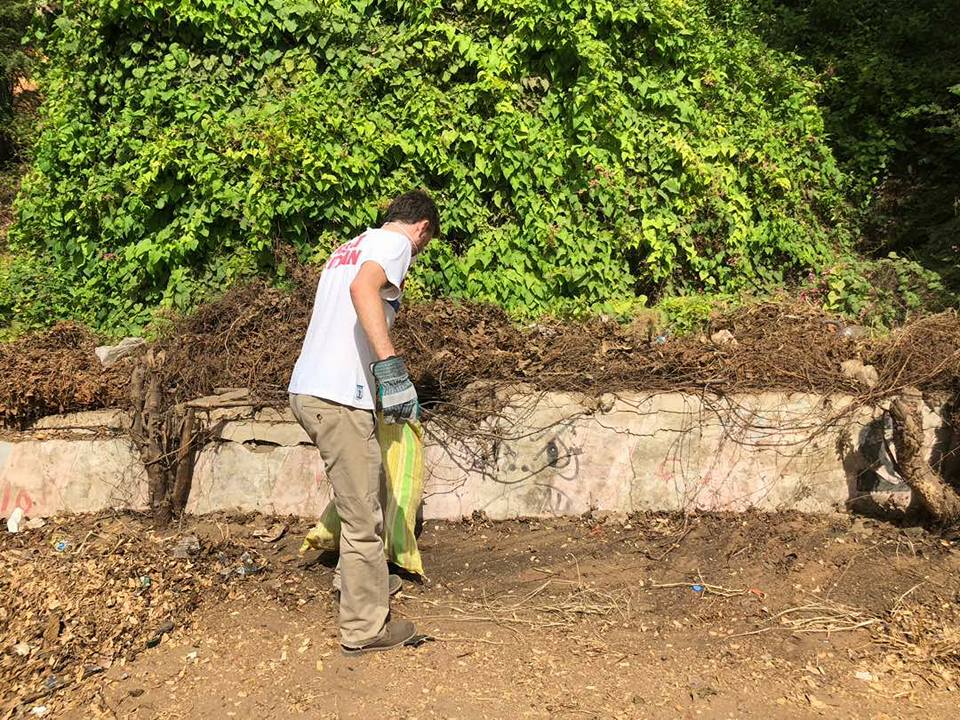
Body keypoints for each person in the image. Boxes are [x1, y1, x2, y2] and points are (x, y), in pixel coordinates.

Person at [288, 190, 439, 655]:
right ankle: (364, 627)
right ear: (422, 228)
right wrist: (390, 368)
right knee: (363, 517)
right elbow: (362, 291)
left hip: (311, 389)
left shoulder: (351, 245)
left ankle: (362, 583)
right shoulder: (395, 245)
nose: (420, 252)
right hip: (337, 399)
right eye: (426, 244)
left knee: (362, 497)